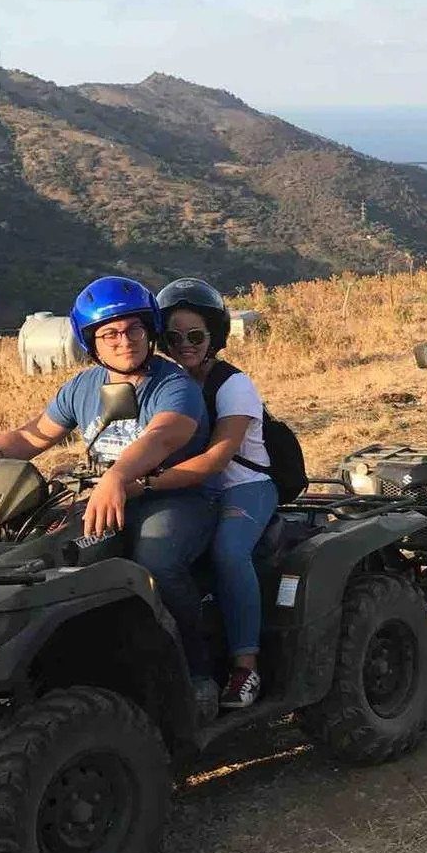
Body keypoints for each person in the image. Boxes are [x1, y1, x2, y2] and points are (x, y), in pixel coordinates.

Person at [0, 275, 214, 640]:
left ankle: (195, 670)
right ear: (91, 341)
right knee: (40, 553)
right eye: (110, 334)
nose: (125, 341)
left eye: (134, 330)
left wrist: (117, 476)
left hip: (173, 498)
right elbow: (32, 435)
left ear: (150, 330)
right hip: (104, 495)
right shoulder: (82, 386)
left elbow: (162, 436)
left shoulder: (174, 384)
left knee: (157, 561)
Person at [137, 278, 276, 709]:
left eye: (195, 336)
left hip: (242, 486)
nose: (184, 346)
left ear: (213, 335)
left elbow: (217, 460)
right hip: (189, 488)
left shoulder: (233, 385)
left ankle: (245, 666)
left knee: (229, 553)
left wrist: (142, 482)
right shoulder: (163, 384)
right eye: (173, 337)